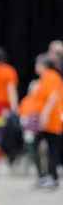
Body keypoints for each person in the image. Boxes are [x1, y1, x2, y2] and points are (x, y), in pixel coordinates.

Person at [28, 54, 63, 189]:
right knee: (40, 146)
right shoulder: (45, 78)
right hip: (43, 119)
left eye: (37, 64)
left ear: (43, 65)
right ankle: (45, 176)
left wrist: (45, 114)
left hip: (49, 120)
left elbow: (53, 97)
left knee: (50, 148)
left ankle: (51, 177)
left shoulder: (51, 77)